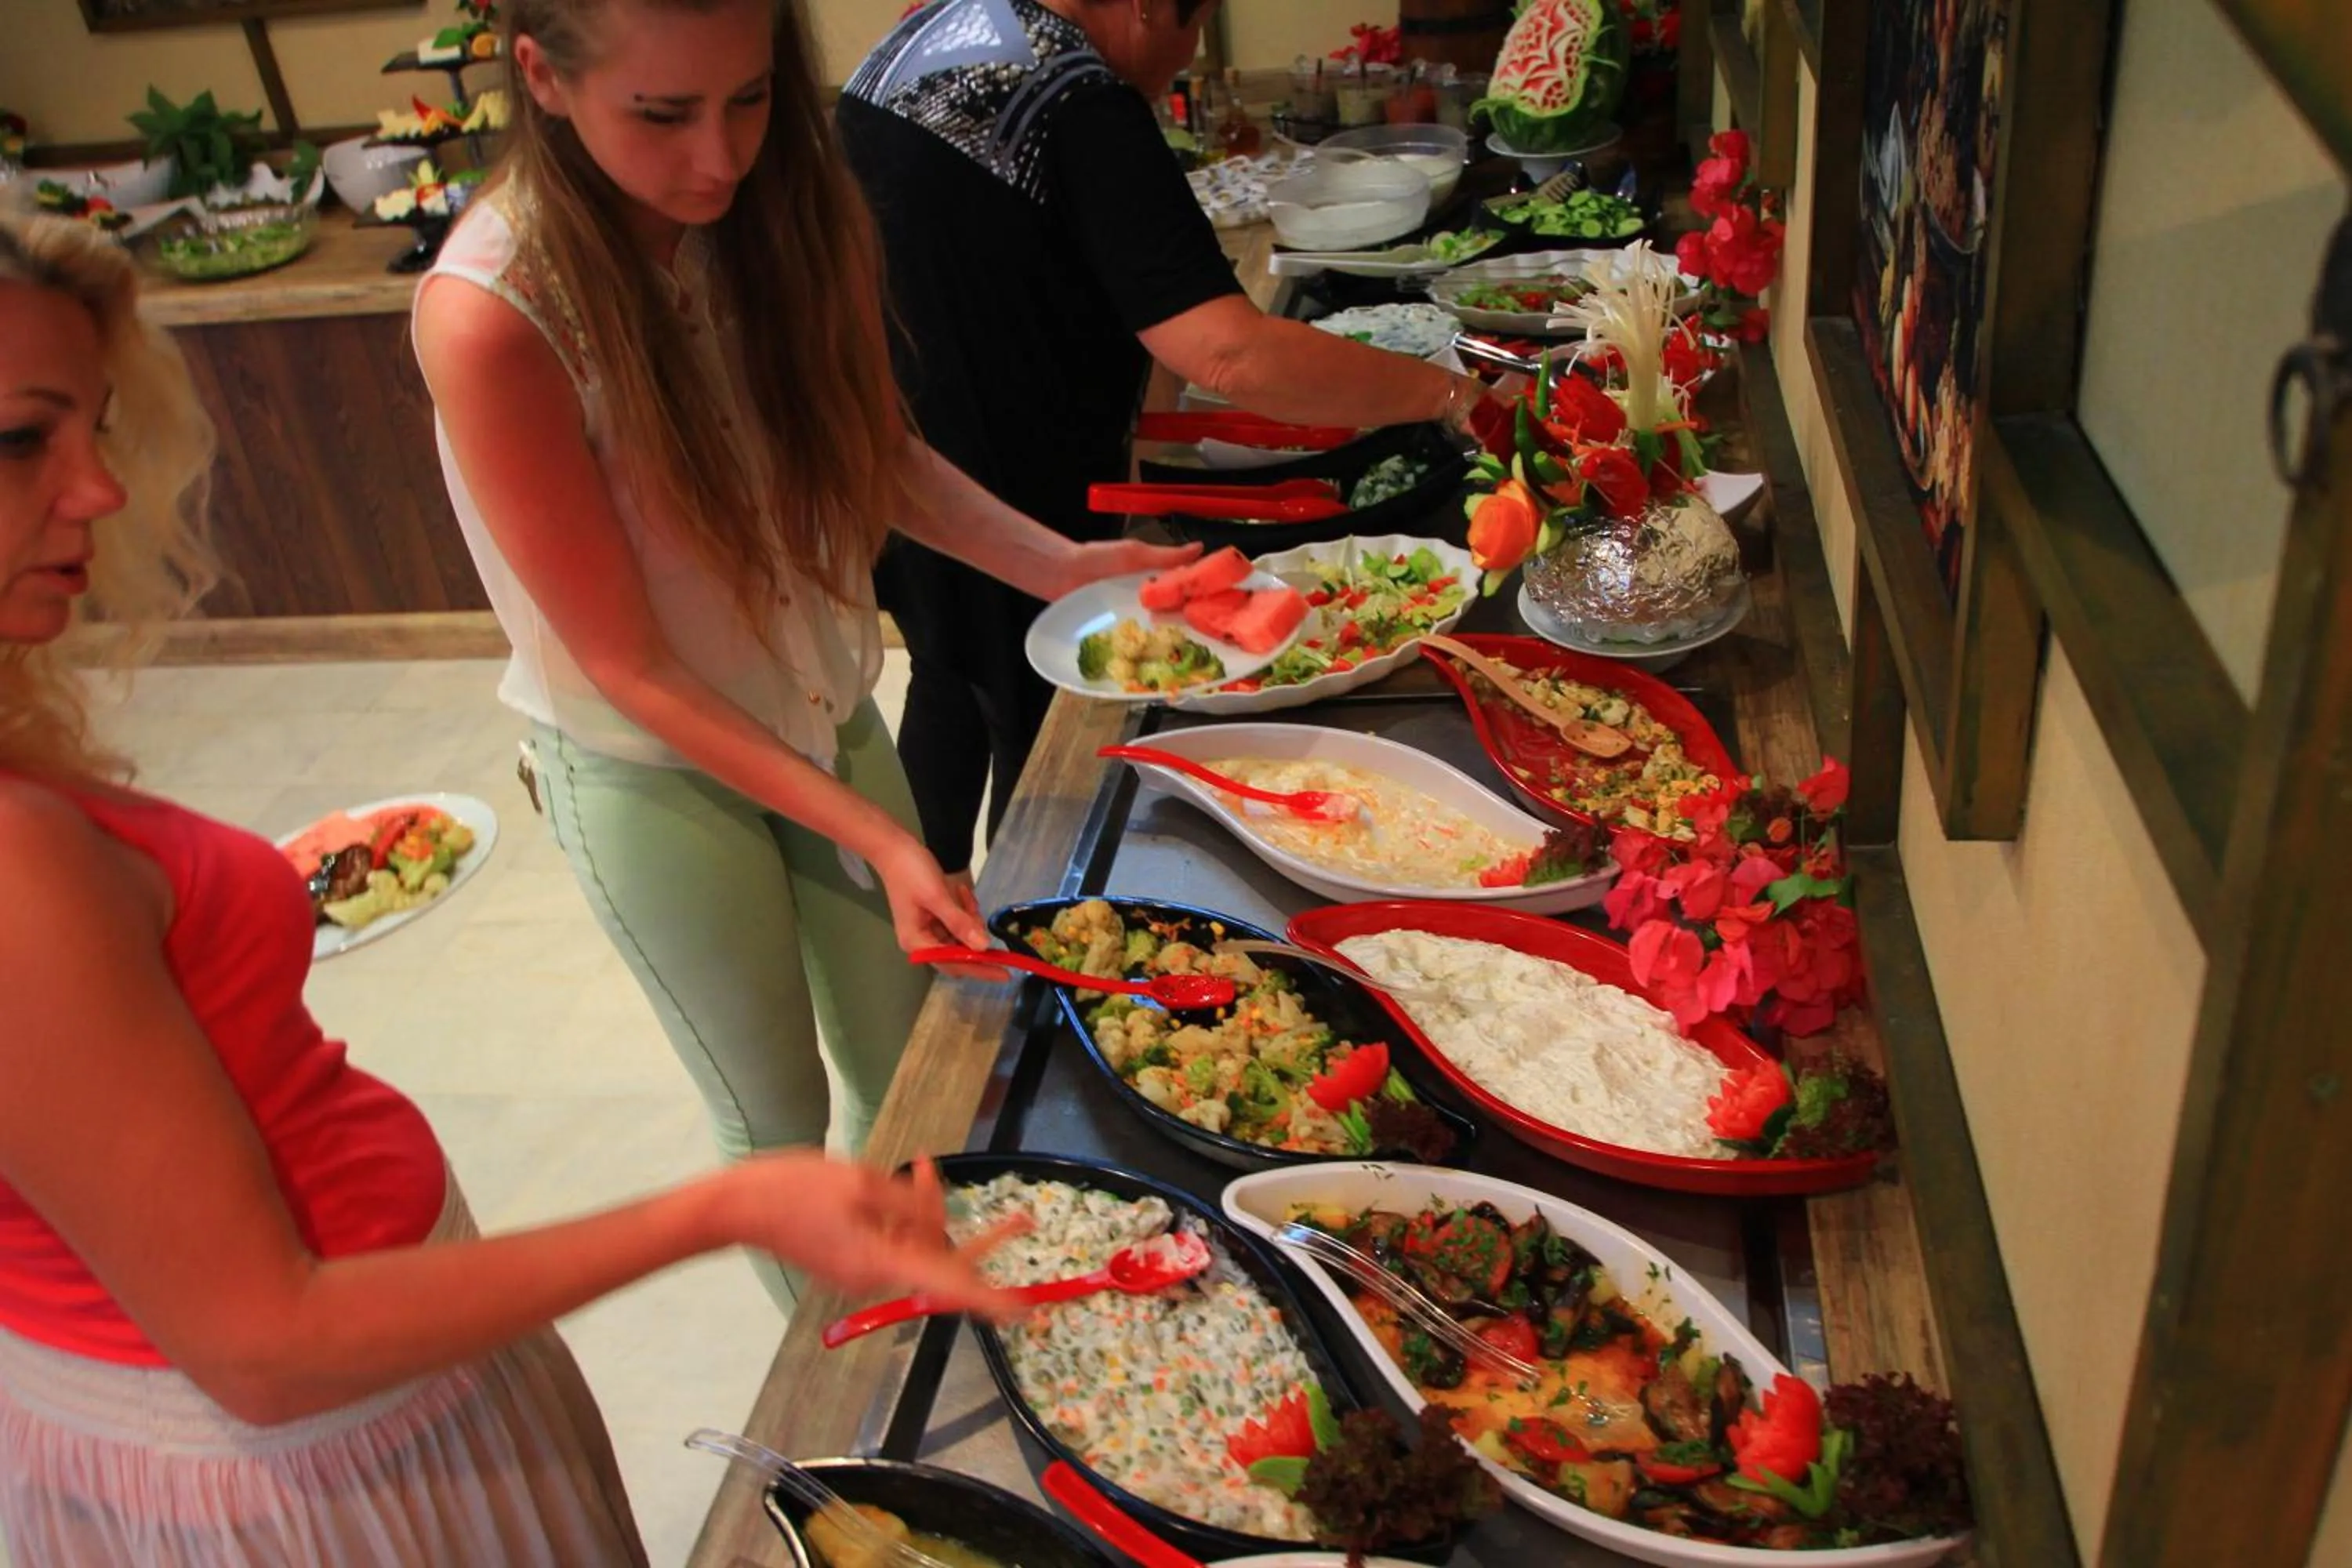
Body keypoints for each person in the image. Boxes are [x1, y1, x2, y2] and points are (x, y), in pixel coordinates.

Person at [0, 211, 1022, 1567]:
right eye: (23, 440)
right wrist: (723, 1207)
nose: (100, 492)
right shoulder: (19, 865)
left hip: (378, 1397)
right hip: (296, 1474)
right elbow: (260, 1342)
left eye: (93, 430)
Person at [412, 0, 1193, 1309]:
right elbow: (632, 669)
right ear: (541, 77)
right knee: (772, 1121)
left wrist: (1061, 567)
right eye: (661, 116)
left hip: (821, 712)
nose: (718, 159)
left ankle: (952, 1326)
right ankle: (842, 1405)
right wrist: (891, 839)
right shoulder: (497, 313)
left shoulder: (784, 212)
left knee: (915, 1073)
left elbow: (874, 453)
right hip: (651, 770)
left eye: (750, 99)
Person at [837, 0, 1505, 880]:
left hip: (884, 447)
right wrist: (1452, 395)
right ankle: (1022, 944)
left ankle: (918, 910)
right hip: (998, 486)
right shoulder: (1076, 90)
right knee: (1048, 740)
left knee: (949, 668)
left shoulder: (936, 27)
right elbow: (1229, 351)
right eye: (1191, 29)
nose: (1184, 61)